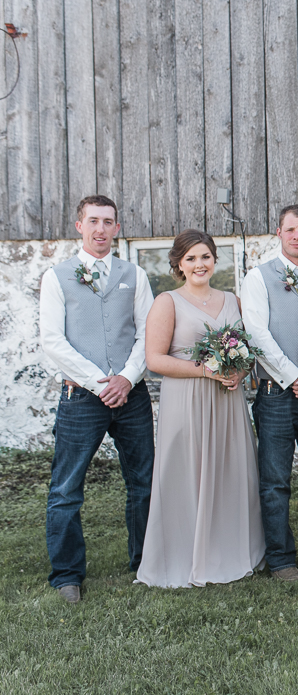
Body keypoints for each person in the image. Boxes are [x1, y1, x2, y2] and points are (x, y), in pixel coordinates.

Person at [39, 195, 156, 603]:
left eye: (108, 222)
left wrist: (125, 378)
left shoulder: (134, 275)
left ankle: (145, 561)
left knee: (143, 481)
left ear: (117, 228)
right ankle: (67, 574)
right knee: (66, 488)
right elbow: (52, 340)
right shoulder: (58, 276)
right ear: (79, 225)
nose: (101, 229)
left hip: (132, 395)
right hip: (80, 397)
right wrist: (98, 382)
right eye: (93, 221)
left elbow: (148, 334)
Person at [137, 230, 264, 587]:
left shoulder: (233, 300)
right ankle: (183, 555)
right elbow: (155, 359)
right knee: (186, 473)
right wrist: (207, 370)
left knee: (231, 471)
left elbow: (248, 348)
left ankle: (232, 550)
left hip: (227, 401)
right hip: (188, 399)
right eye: (191, 258)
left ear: (214, 260)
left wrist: (239, 370)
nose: (199, 264)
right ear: (178, 264)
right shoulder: (167, 302)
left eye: (205, 256)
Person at [241, 205, 298, 582]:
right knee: (276, 479)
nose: (297, 236)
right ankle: (280, 558)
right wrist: (297, 378)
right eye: (291, 229)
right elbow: (256, 335)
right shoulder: (258, 278)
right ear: (278, 232)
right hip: (276, 393)